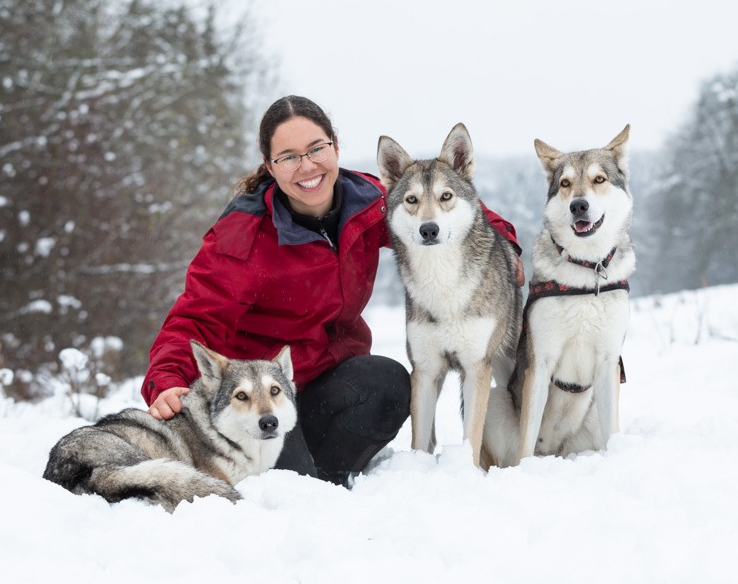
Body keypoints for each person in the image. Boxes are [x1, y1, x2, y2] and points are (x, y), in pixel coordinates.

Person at [141, 95, 523, 487]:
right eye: (289, 157)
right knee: (290, 485)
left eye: (315, 149)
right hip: (260, 395)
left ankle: (328, 474)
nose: (307, 166)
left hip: (328, 382)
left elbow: (449, 206)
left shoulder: (368, 204)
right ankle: (300, 472)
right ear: (270, 166)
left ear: (335, 147)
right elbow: (194, 317)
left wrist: (504, 244)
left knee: (389, 384)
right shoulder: (244, 236)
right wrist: (166, 380)